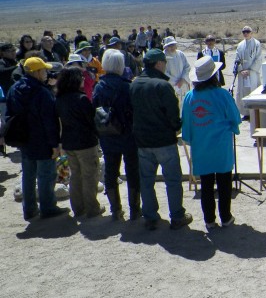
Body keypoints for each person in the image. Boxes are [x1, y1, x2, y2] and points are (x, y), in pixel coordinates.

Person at [129, 49, 192, 231]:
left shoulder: (134, 85)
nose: (166, 65)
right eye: (164, 62)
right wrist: (176, 127)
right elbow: (173, 115)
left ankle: (150, 217)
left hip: (142, 141)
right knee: (172, 180)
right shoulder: (162, 86)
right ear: (158, 64)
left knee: (147, 180)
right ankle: (177, 216)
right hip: (164, 141)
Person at [6, 57, 70, 220]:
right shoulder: (42, 92)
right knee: (46, 175)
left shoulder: (14, 88)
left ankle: (29, 209)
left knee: (28, 175)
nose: (46, 72)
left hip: (23, 139)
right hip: (42, 140)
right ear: (36, 72)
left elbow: (9, 115)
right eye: (44, 70)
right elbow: (50, 121)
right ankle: (48, 208)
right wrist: (55, 144)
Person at [182, 56, 241, 230]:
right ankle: (226, 217)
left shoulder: (189, 97)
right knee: (224, 183)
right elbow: (235, 118)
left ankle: (209, 220)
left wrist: (191, 138)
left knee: (206, 185)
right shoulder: (222, 94)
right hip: (221, 146)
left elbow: (186, 123)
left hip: (201, 147)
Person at [93, 49, 141, 221]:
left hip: (107, 134)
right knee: (132, 171)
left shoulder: (99, 86)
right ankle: (135, 209)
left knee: (111, 171)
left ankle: (116, 210)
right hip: (128, 135)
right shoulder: (127, 86)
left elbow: (95, 109)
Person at [55, 67, 105, 218]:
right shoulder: (81, 99)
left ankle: (78, 208)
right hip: (85, 143)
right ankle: (92, 209)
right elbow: (91, 121)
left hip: (69, 143)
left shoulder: (59, 99)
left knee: (75, 176)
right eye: (81, 78)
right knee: (90, 176)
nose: (84, 79)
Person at [234, 26, 263, 119]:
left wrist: (250, 70)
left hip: (252, 72)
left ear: (251, 33)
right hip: (243, 73)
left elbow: (258, 58)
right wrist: (241, 70)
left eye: (247, 32)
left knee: (253, 90)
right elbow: (237, 59)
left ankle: (254, 112)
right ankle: (246, 113)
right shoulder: (240, 45)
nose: (245, 33)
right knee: (243, 92)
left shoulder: (257, 43)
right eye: (244, 32)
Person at [162, 36, 191, 109]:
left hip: (183, 84)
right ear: (165, 47)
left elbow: (187, 67)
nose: (172, 47)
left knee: (184, 105)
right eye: (169, 46)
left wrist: (183, 79)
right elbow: (163, 72)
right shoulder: (163, 56)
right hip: (170, 86)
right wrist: (175, 82)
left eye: (173, 45)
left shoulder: (180, 54)